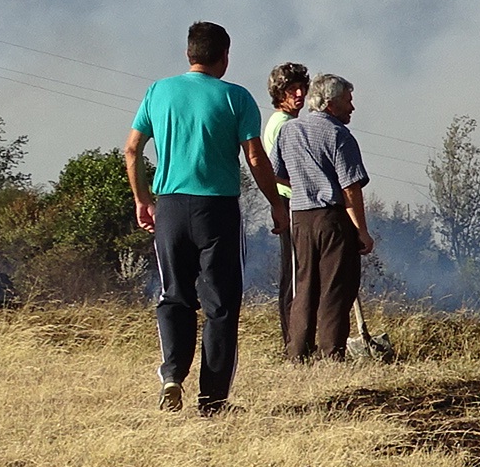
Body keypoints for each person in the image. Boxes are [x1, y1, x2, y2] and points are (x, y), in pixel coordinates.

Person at [124, 21, 285, 413]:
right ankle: (213, 400)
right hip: (217, 210)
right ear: (225, 57)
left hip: (171, 206)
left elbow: (132, 150)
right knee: (221, 306)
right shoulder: (236, 98)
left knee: (174, 296)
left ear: (188, 54)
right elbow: (255, 156)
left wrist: (142, 198)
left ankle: (172, 375)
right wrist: (276, 203)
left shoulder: (158, 91)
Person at [275, 72, 376, 362]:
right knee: (336, 286)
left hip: (301, 218)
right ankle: (331, 353)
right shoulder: (338, 135)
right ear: (330, 104)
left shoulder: (288, 131)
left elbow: (277, 172)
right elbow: (350, 188)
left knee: (304, 285)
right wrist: (362, 231)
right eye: (348, 101)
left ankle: (297, 352)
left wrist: (305, 184)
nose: (352, 108)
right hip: (332, 218)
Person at [264, 62, 310, 341]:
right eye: (291, 89)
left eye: (301, 88)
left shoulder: (291, 123)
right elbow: (275, 172)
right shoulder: (282, 126)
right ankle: (292, 341)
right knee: (294, 275)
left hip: (295, 204)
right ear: (279, 94)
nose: (298, 94)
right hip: (292, 205)